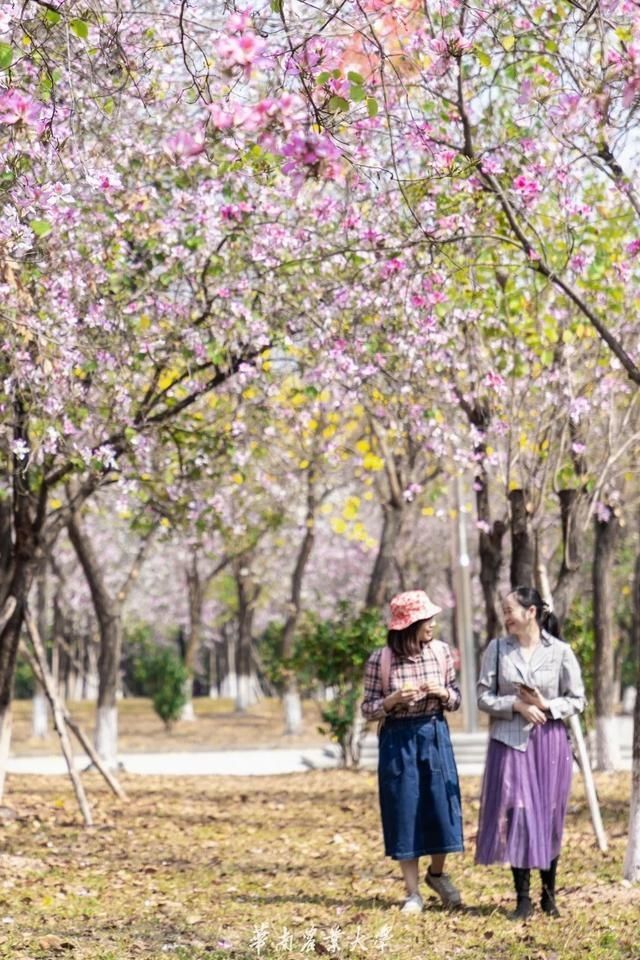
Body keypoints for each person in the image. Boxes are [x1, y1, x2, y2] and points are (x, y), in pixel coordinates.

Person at [475, 586, 585, 919]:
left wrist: (546, 705)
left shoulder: (560, 652)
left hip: (550, 744)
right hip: (509, 742)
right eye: (504, 611)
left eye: (511, 610)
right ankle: (522, 898)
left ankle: (549, 895)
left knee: (549, 814)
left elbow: (578, 699)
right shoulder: (497, 649)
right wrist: (517, 705)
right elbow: (483, 697)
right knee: (518, 813)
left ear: (531, 612)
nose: (506, 617)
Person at [361, 589, 464, 914]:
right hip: (397, 740)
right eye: (426, 619)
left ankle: (437, 873)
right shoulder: (382, 659)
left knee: (440, 807)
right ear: (410, 625)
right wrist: (391, 702)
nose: (432, 624)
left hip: (433, 734)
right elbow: (368, 708)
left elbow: (457, 698)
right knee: (403, 810)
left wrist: (442, 693)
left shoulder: (442, 653)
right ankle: (412, 892)